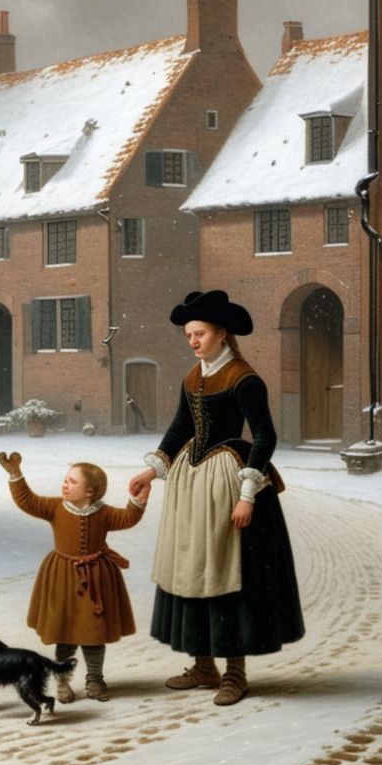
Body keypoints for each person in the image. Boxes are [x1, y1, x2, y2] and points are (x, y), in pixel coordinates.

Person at [126, 290, 304, 707]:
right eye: (189, 334)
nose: (193, 341)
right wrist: (151, 471)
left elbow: (265, 436)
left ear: (222, 334)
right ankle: (203, 665)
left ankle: (235, 674)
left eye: (200, 333)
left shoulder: (244, 377)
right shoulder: (193, 377)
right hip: (191, 483)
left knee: (228, 577)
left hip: (230, 483)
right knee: (192, 569)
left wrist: (247, 495)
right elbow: (178, 429)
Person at [0, 453, 146, 702]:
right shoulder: (55, 507)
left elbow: (128, 518)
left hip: (96, 580)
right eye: (65, 480)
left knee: (94, 634)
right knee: (64, 634)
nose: (65, 484)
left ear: (90, 492)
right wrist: (15, 474)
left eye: (72, 481)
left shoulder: (105, 513)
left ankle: (95, 679)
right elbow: (28, 502)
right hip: (61, 578)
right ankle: (62, 681)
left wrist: (138, 500)